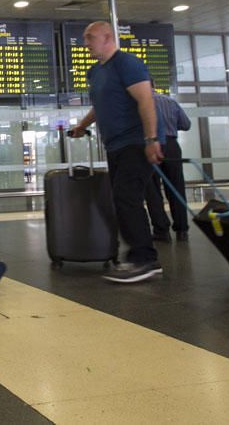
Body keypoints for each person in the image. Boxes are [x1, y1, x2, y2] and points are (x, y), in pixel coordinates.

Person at [68, 21, 164, 284]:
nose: (85, 43)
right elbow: (101, 107)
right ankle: (141, 256)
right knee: (124, 197)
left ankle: (144, 259)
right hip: (115, 144)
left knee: (126, 196)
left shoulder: (127, 63)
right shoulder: (95, 72)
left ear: (107, 37)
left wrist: (152, 138)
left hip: (135, 141)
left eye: (90, 37)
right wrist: (81, 126)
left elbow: (146, 99)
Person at [144, 82, 191, 243]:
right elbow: (186, 124)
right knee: (176, 187)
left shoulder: (141, 102)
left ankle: (161, 230)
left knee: (153, 190)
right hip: (171, 145)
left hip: (150, 145)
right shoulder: (170, 101)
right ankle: (182, 229)